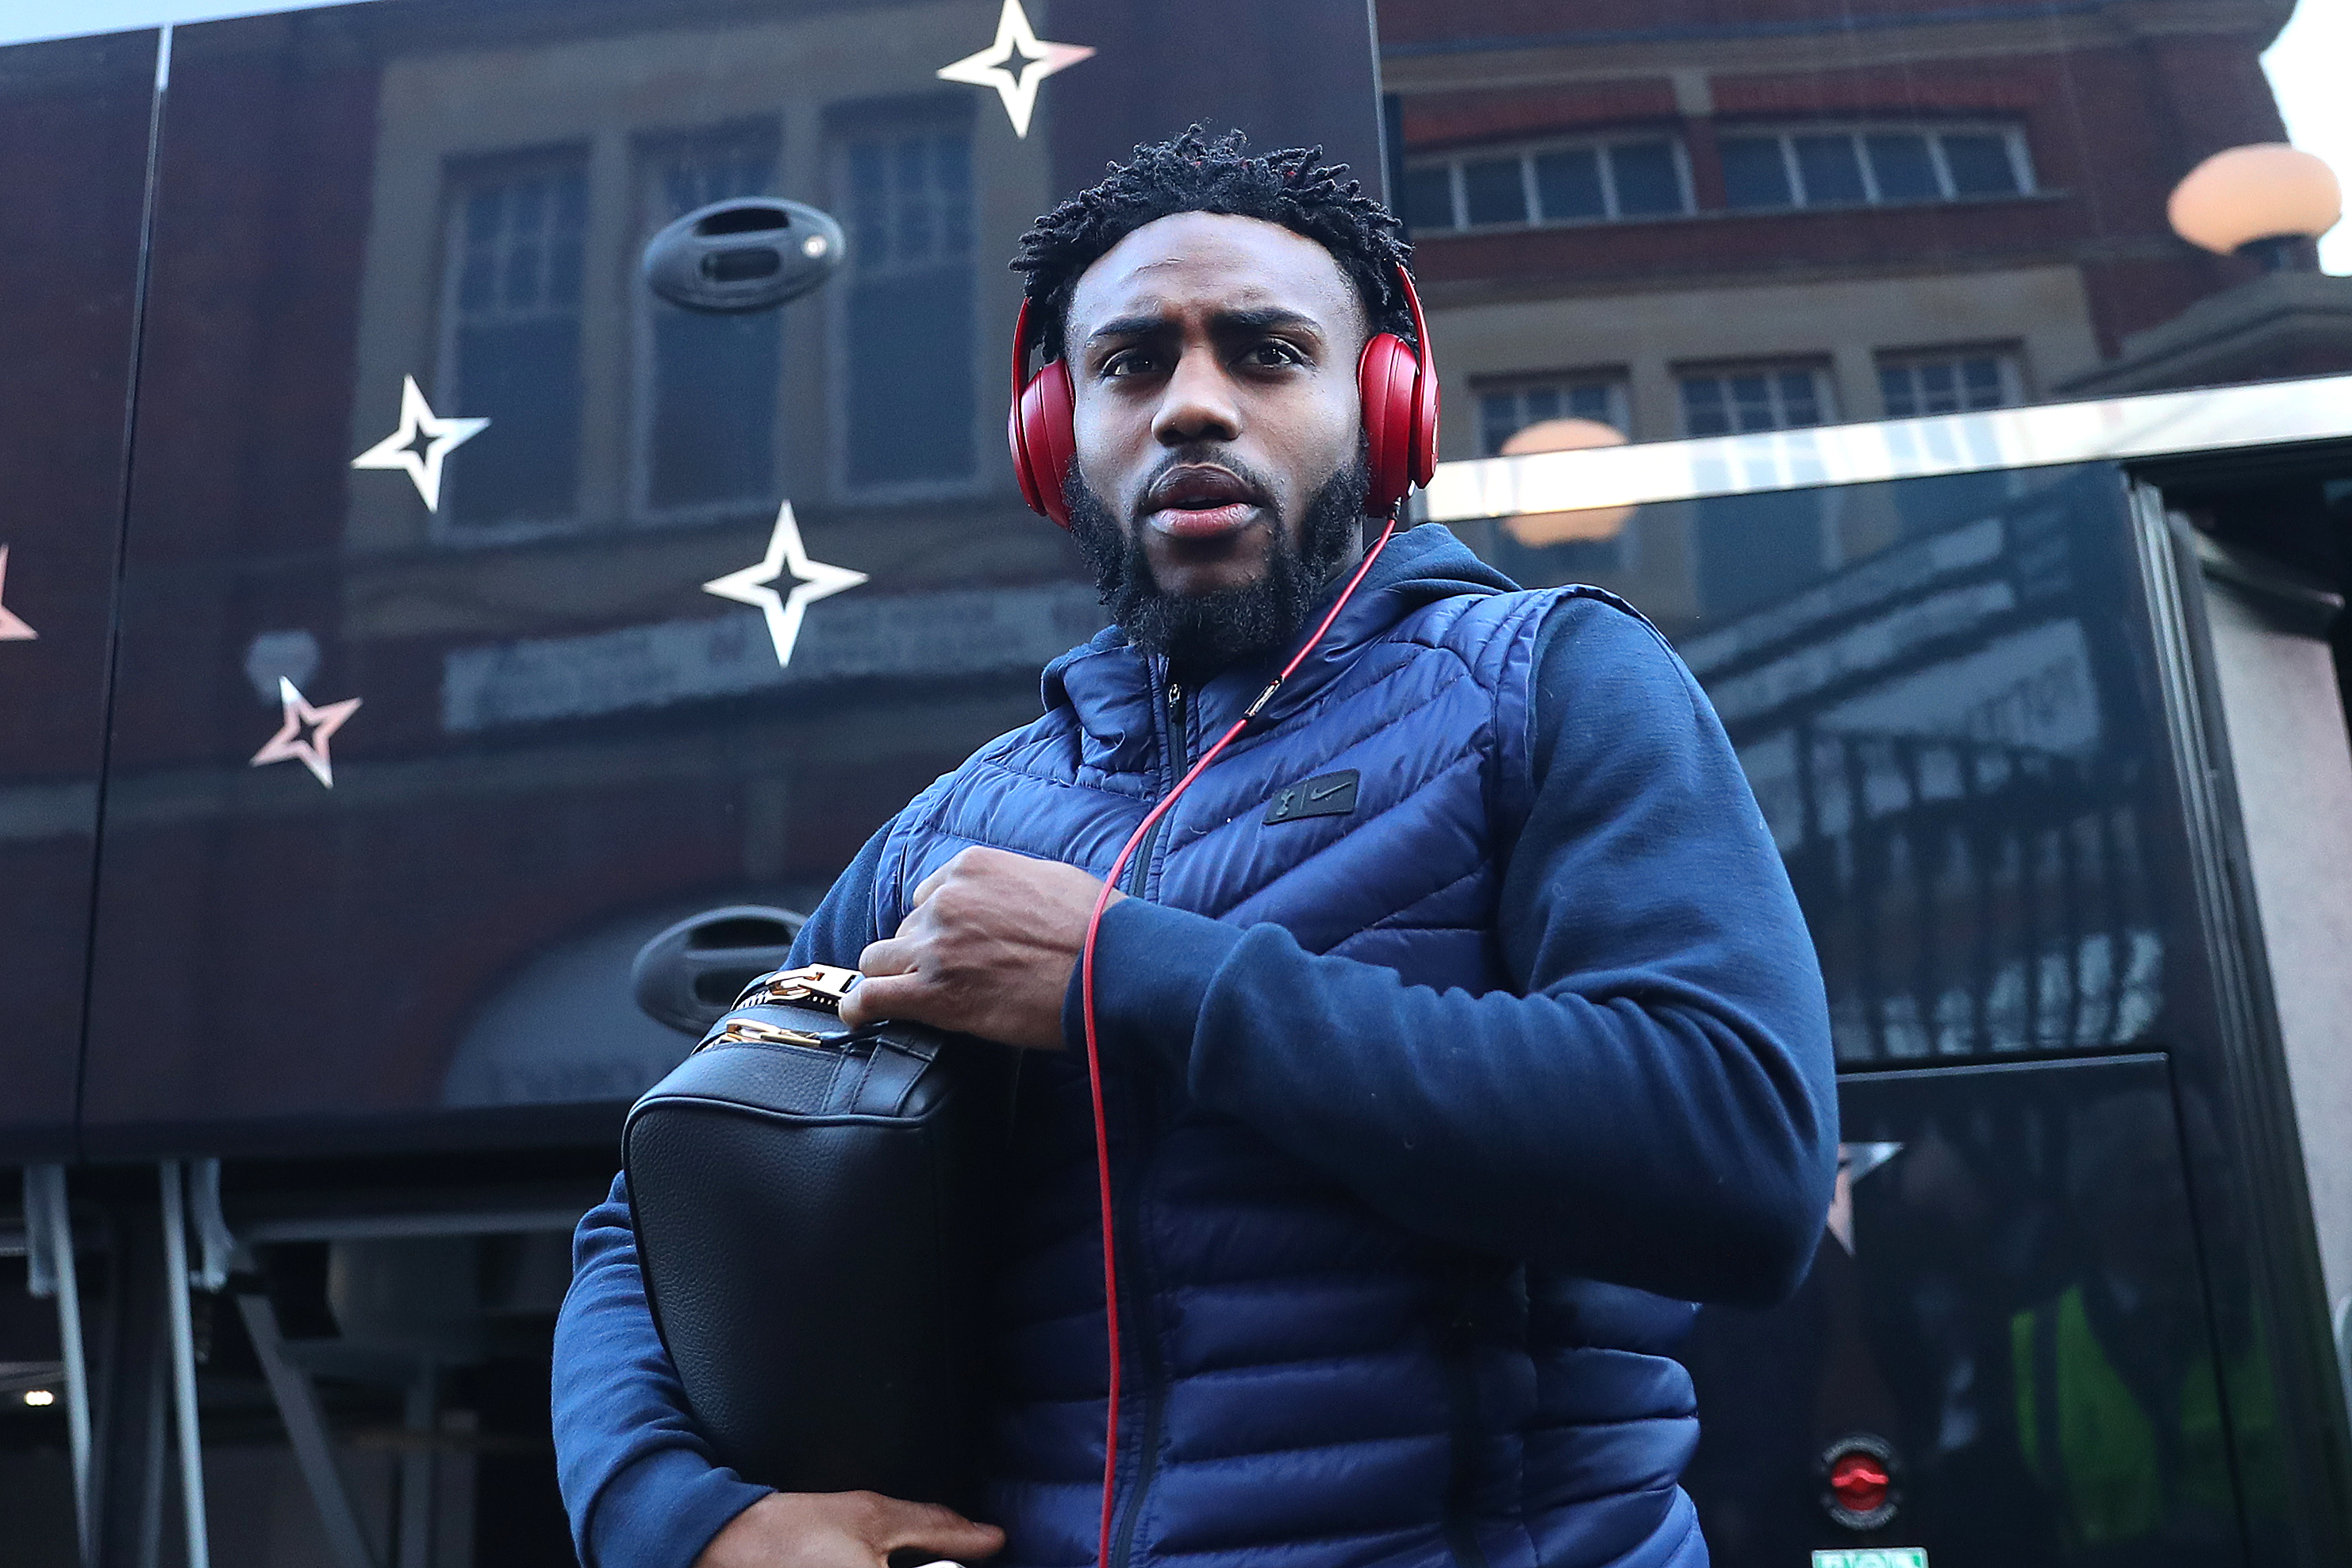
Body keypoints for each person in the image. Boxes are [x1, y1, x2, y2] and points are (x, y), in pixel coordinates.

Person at [554, 127, 1838, 1568]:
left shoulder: (1549, 682)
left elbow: (1743, 1160)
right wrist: (682, 1519)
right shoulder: (951, 832)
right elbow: (651, 1217)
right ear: (1055, 437)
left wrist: (1122, 973)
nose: (1193, 407)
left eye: (1268, 353)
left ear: (1387, 407)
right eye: (1131, 364)